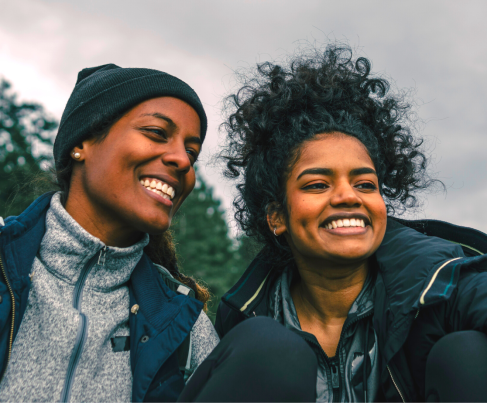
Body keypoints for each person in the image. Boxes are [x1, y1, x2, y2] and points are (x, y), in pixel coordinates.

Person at [215, 45, 487, 402]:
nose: (348, 195)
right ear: (276, 217)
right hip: (258, 344)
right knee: (263, 346)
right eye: (318, 184)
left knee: (467, 354)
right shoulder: (244, 318)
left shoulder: (441, 286)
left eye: (365, 183)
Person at [0, 64, 317, 402]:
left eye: (192, 153)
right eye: (155, 132)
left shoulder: (187, 331)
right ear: (82, 143)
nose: (183, 160)